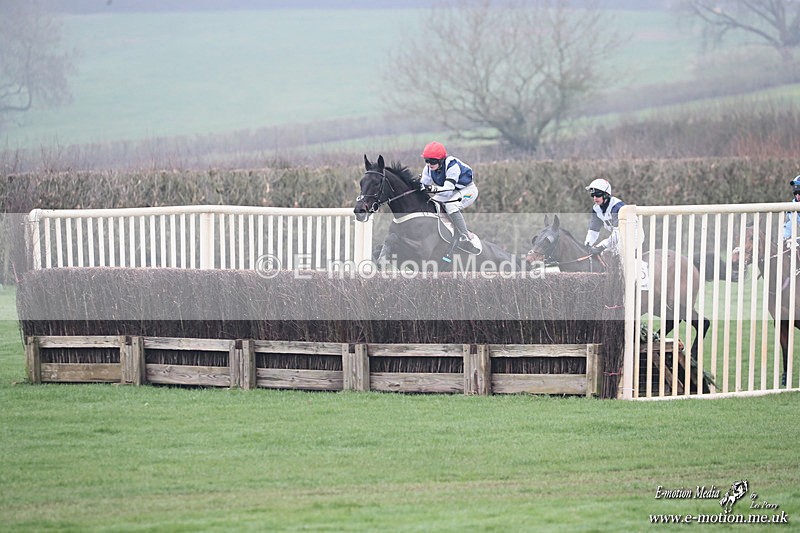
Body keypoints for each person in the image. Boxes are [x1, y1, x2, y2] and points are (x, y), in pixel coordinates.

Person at [419, 141, 480, 252]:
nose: (429, 164)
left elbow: (447, 190)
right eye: (427, 160)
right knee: (430, 203)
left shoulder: (452, 166)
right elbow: (423, 184)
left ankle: (464, 235)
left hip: (467, 190)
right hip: (451, 191)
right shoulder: (428, 168)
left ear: (441, 160)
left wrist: (433, 189)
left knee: (451, 206)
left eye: (432, 161)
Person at [584, 178, 625, 255]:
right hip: (618, 238)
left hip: (632, 237)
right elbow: (594, 230)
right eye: (593, 195)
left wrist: (603, 246)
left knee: (617, 253)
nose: (595, 198)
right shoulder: (596, 209)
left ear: (606, 194)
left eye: (597, 195)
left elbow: (618, 233)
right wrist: (587, 244)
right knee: (599, 253)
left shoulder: (617, 206)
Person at [783, 176, 800, 247]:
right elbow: (788, 226)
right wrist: (783, 238)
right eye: (796, 193)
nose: (798, 196)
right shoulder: (792, 207)